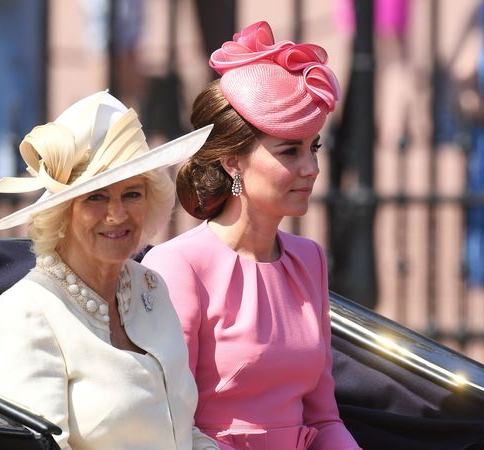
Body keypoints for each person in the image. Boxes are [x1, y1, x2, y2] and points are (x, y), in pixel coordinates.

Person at [142, 21, 362, 450]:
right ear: (232, 162)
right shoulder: (179, 266)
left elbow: (323, 418)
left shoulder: (309, 259)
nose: (311, 168)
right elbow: (163, 421)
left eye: (313, 147)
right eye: (289, 151)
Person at [0, 90, 219, 450]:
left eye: (132, 194)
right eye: (96, 196)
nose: (117, 214)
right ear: (62, 213)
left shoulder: (150, 287)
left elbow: (183, 431)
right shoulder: (27, 311)